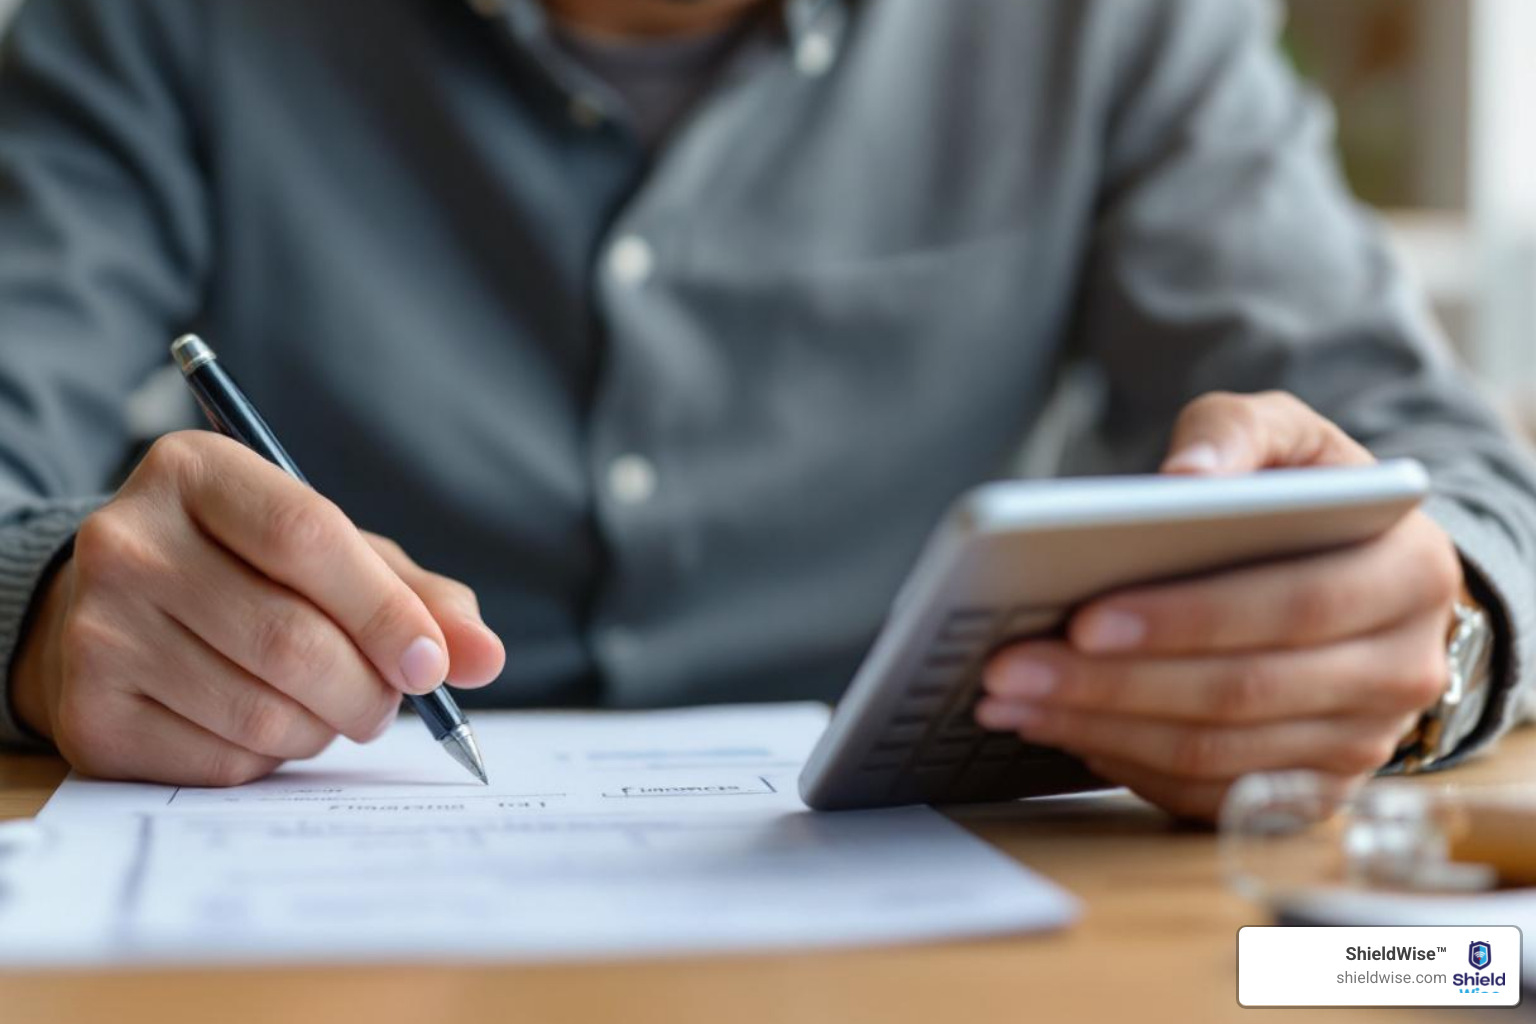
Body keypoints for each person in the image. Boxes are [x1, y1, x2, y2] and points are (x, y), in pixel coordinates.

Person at [1, 0, 1532, 822]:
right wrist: (45, 608)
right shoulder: (153, 23)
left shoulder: (1115, 25)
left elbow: (1452, 474)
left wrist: (1432, 633)